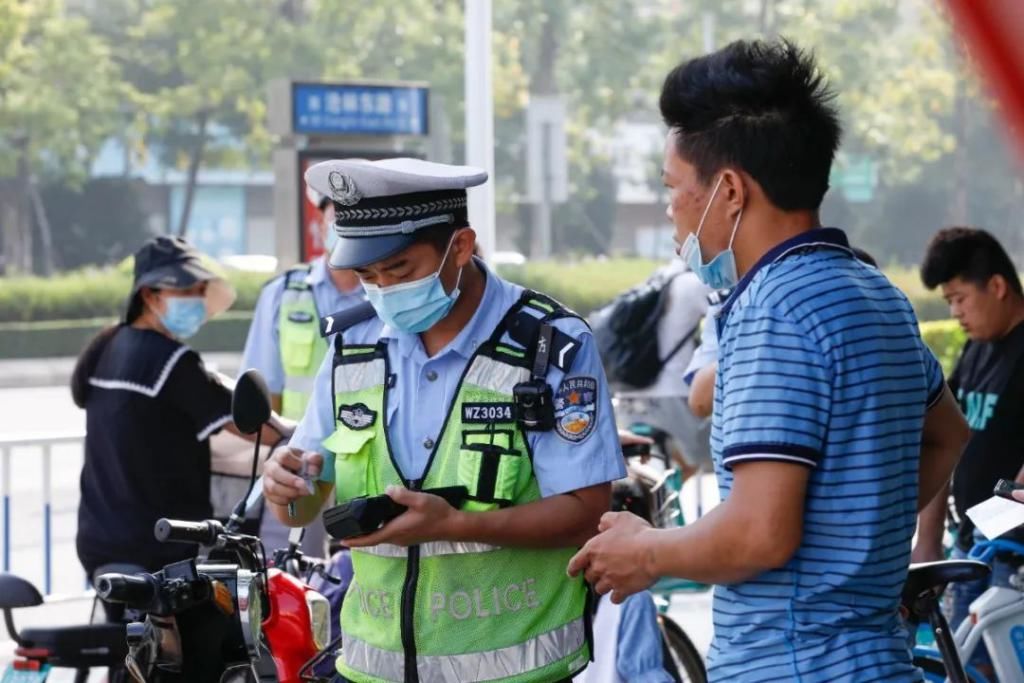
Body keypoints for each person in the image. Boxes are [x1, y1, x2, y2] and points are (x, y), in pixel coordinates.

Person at [567, 39, 969, 682]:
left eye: (674, 188)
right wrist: (855, 545)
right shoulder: (873, 293)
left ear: (728, 190)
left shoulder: (771, 311)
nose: (671, 209)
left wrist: (646, 551)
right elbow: (948, 435)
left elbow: (758, 536)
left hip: (793, 665)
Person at [262, 157, 624, 683]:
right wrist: (286, 489)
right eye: (367, 275)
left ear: (460, 246)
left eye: (400, 270)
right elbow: (307, 498)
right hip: (371, 668)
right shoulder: (352, 346)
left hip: (514, 672)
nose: (383, 289)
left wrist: (459, 525)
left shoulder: (548, 347)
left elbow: (587, 512)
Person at [71, 236, 289, 614]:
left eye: (199, 290)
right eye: (184, 289)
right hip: (158, 547)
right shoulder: (172, 362)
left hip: (101, 539)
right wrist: (300, 433)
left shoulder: (108, 346)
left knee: (132, 655)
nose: (194, 298)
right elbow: (262, 430)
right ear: (150, 295)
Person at [914, 226, 1024, 677]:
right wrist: (927, 547)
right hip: (975, 546)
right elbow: (944, 442)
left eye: (960, 298)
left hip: (1013, 556)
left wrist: (998, 526)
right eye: (949, 303)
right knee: (958, 667)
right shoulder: (976, 352)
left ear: (997, 286)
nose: (956, 312)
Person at [242, 189, 363, 555]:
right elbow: (263, 399)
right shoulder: (282, 293)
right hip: (301, 468)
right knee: (295, 584)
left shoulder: (392, 298)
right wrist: (285, 455)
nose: (346, 226)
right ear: (320, 219)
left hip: (368, 467)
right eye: (338, 215)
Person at [612, 260, 711, 478]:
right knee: (692, 462)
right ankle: (666, 504)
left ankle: (648, 502)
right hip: (672, 391)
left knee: (638, 463)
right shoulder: (695, 284)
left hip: (629, 390)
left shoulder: (654, 281)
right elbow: (722, 319)